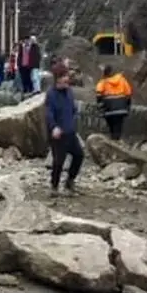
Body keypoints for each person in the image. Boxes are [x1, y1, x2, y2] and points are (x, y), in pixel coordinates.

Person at [45, 63, 83, 195]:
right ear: (57, 79)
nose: (67, 78)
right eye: (64, 76)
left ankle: (69, 182)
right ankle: (54, 186)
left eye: (67, 75)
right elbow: (49, 113)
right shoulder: (51, 94)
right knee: (58, 162)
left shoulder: (69, 92)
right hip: (58, 134)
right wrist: (54, 127)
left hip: (70, 132)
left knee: (79, 155)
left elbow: (72, 109)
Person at [95, 65, 133, 140]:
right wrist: (128, 106)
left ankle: (113, 142)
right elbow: (128, 93)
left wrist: (100, 108)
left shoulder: (103, 82)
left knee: (112, 128)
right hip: (121, 109)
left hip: (109, 109)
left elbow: (98, 95)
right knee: (118, 128)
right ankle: (116, 141)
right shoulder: (122, 80)